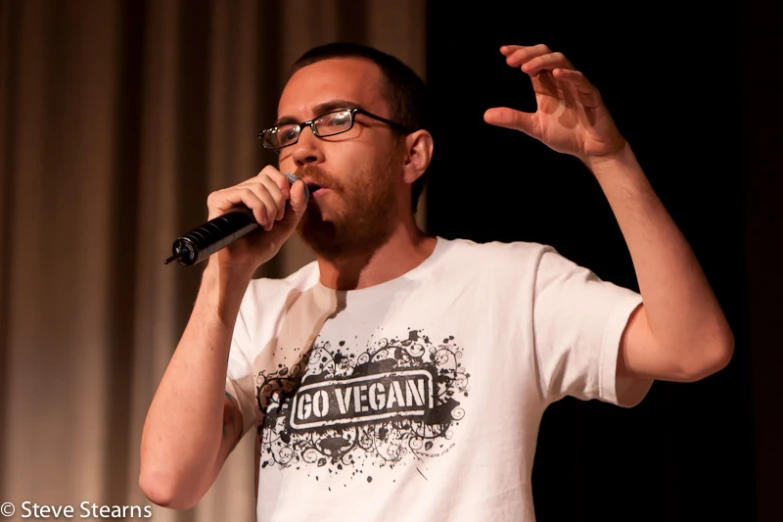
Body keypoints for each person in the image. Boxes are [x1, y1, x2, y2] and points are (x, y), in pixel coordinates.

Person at [139, 42, 734, 521]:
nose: (303, 151)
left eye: (335, 120)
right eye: (288, 132)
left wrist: (610, 159)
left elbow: (694, 348)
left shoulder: (509, 282)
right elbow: (168, 480)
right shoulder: (259, 307)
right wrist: (226, 275)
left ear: (413, 155)